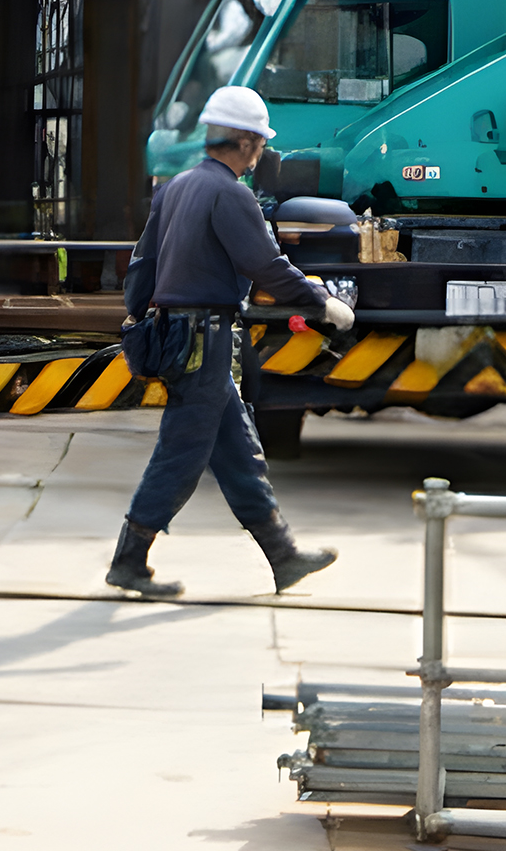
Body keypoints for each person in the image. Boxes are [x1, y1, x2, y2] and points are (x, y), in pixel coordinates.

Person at [113, 85, 347, 597]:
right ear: (243, 142)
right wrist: (320, 301)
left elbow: (143, 263)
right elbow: (266, 265)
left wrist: (139, 316)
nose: (261, 152)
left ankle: (283, 555)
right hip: (206, 340)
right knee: (181, 453)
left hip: (182, 336)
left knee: (239, 451)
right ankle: (128, 560)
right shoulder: (231, 194)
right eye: (260, 143)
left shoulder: (174, 188)